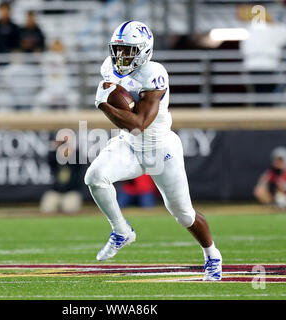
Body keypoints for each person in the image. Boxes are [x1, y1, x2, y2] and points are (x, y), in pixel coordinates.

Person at [85, 21, 222, 281]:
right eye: (118, 49)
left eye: (128, 51)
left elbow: (139, 123)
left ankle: (212, 255)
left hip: (160, 149)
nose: (120, 57)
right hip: (130, 146)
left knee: (183, 214)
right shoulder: (108, 67)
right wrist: (112, 105)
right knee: (94, 177)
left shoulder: (154, 73)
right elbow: (125, 119)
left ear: (145, 50)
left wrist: (104, 105)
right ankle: (121, 230)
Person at [239, 9, 286, 106]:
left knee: (259, 94)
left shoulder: (249, 30)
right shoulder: (272, 29)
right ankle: (266, 114)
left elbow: (243, 48)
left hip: (253, 66)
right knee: (267, 95)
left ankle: (261, 114)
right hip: (268, 66)